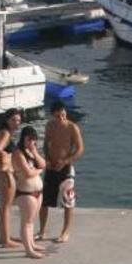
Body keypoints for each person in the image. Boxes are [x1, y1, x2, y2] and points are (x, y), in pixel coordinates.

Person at [38, 101, 84, 243]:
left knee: (68, 201)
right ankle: (42, 231)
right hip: (52, 167)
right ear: (53, 115)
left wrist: (65, 161)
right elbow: (46, 144)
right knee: (44, 201)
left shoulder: (72, 128)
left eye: (63, 115)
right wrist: (48, 160)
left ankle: (65, 232)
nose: (62, 118)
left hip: (66, 168)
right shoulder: (50, 126)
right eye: (58, 116)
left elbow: (80, 149)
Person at [12, 126, 46, 259]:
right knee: (26, 222)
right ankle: (28, 250)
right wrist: (38, 171)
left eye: (34, 140)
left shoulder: (30, 151)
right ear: (23, 138)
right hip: (26, 193)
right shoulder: (18, 153)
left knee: (31, 220)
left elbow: (43, 164)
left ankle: (32, 243)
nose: (32, 142)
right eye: (29, 139)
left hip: (37, 192)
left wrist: (34, 152)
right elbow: (27, 173)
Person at [0, 107, 22, 248]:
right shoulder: (5, 133)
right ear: (7, 120)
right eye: (14, 120)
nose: (17, 123)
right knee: (6, 206)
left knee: (5, 206)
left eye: (18, 120)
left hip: (2, 172)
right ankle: (5, 239)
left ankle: (5, 236)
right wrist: (4, 168)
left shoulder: (4, 131)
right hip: (4, 174)